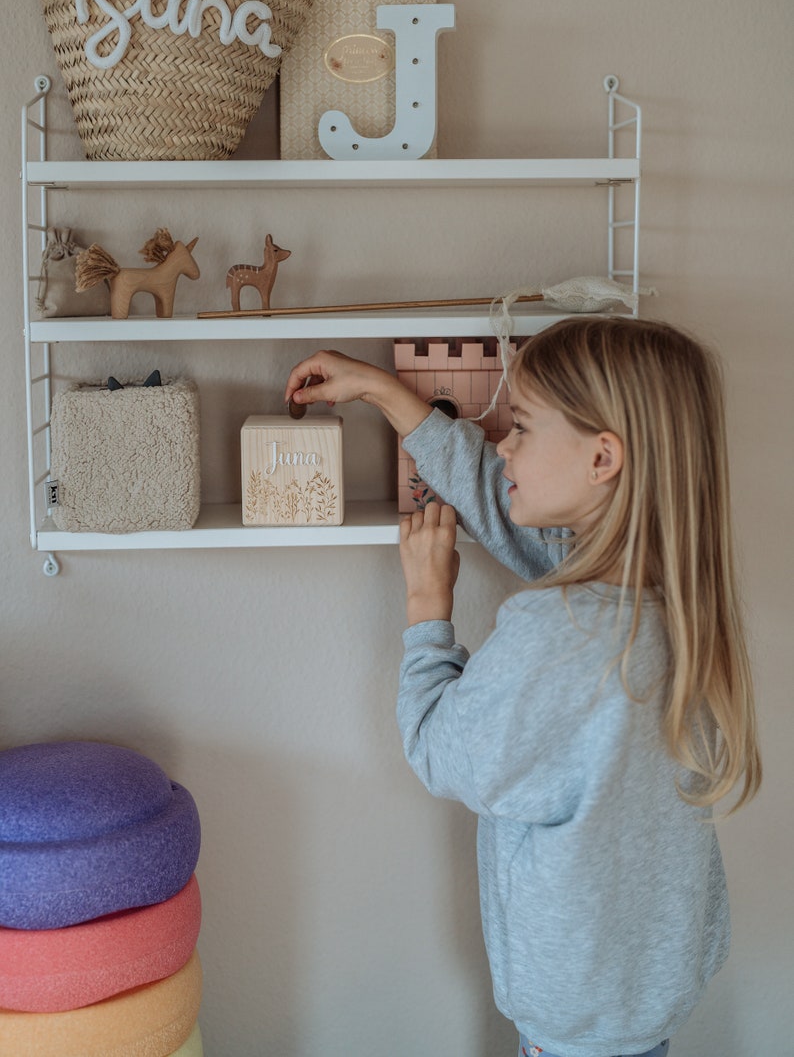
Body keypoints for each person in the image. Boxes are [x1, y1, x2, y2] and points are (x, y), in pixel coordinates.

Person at [284, 317, 762, 1057]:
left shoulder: (560, 634)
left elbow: (440, 747)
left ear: (604, 457)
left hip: (572, 1030)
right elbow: (525, 521)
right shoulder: (673, 601)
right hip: (645, 1001)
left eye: (524, 428)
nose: (503, 442)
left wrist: (426, 609)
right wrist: (386, 393)